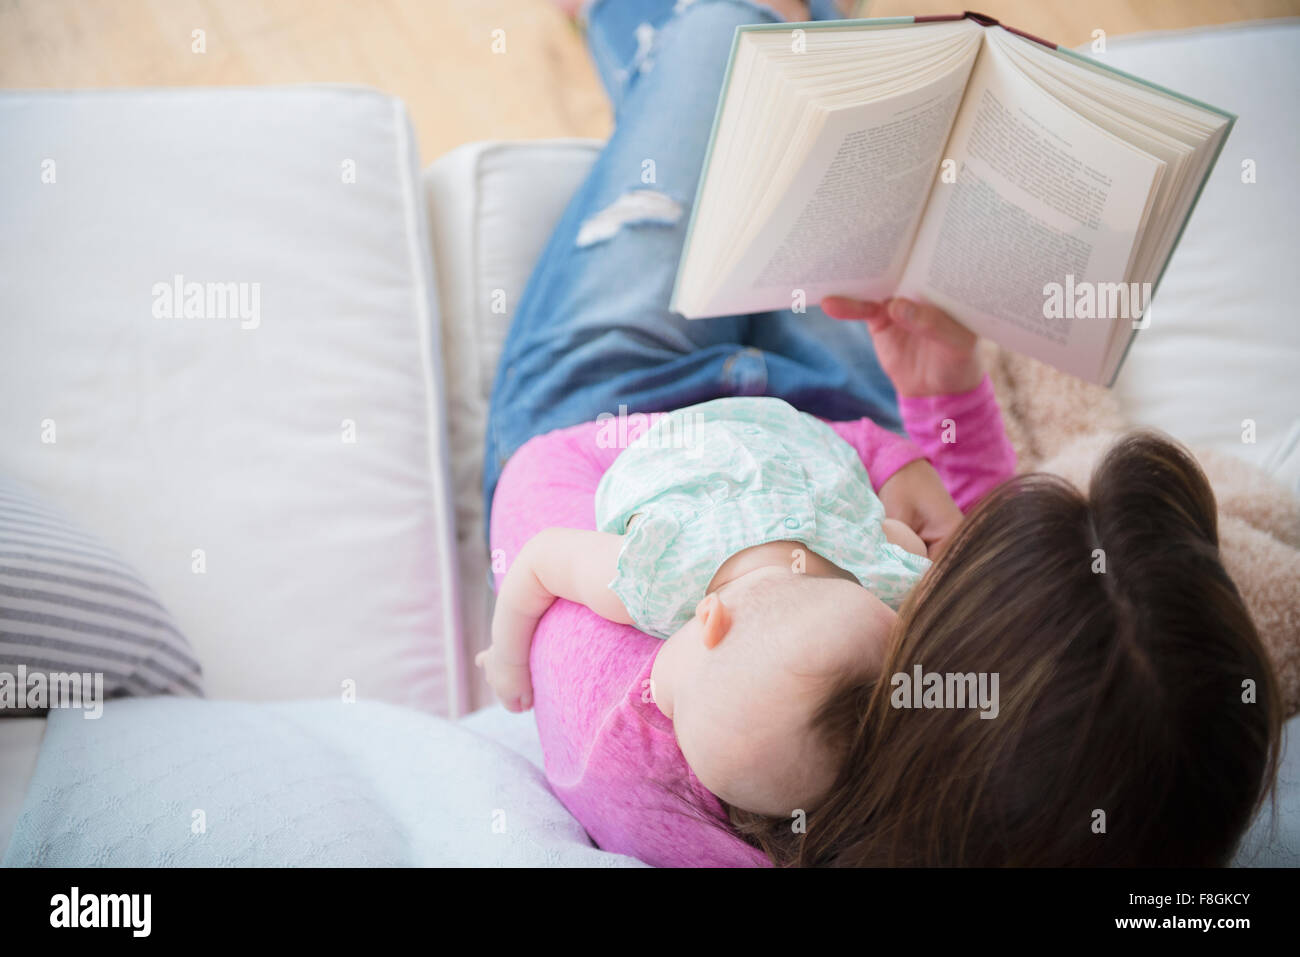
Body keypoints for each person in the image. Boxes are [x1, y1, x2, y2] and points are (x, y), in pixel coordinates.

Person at [477, 0, 1282, 866]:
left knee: (730, 40)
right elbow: (949, 539)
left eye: (954, 577)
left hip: (610, 429)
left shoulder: (686, 741)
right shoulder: (956, 708)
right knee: (816, 128)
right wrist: (945, 394)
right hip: (834, 428)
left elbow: (542, 520)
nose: (935, 548)